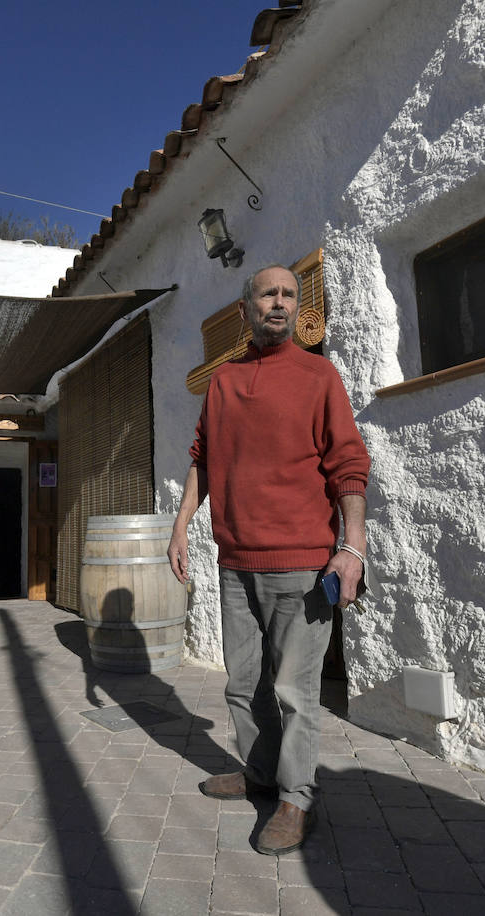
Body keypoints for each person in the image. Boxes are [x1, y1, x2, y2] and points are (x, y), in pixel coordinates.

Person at [167, 263, 370, 856]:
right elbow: (201, 457)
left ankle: (296, 799)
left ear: (297, 308)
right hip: (236, 565)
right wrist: (182, 524)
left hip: (301, 566)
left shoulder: (319, 375)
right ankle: (260, 775)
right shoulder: (224, 383)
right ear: (245, 310)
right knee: (243, 686)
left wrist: (351, 549)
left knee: (296, 692)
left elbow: (348, 466)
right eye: (266, 294)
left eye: (287, 294)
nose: (277, 303)